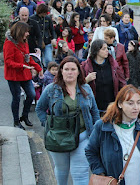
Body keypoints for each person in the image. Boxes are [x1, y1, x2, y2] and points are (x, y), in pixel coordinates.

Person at [36, 56, 100, 185]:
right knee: (62, 171)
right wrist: (48, 125)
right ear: (61, 71)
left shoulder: (86, 89)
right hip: (58, 138)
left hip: (82, 137)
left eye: (73, 69)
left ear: (78, 72)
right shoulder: (51, 89)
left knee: (81, 174)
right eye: (66, 69)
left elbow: (94, 112)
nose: (69, 72)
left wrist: (95, 133)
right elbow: (40, 108)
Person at [85, 85, 140, 185]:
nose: (136, 107)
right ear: (120, 104)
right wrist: (100, 173)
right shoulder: (102, 126)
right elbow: (90, 151)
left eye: (138, 102)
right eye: (130, 103)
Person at [4, 22, 43, 130]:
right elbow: (8, 61)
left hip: (24, 74)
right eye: (26, 32)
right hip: (13, 76)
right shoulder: (9, 43)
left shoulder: (24, 42)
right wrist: (22, 66)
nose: (28, 34)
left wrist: (38, 68)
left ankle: (24, 116)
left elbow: (28, 58)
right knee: (16, 98)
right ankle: (16, 121)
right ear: (20, 31)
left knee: (31, 94)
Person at [81, 39, 126, 114]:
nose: (107, 51)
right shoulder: (86, 66)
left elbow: (122, 82)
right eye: (103, 49)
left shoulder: (113, 65)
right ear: (96, 50)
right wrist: (86, 80)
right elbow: (78, 86)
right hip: (95, 108)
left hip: (112, 107)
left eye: (107, 48)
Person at [30, 4, 57, 68]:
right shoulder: (32, 18)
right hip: (37, 43)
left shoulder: (48, 18)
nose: (45, 14)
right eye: (44, 13)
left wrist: (54, 38)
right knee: (39, 61)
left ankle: (49, 72)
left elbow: (52, 30)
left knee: (49, 59)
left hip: (47, 41)